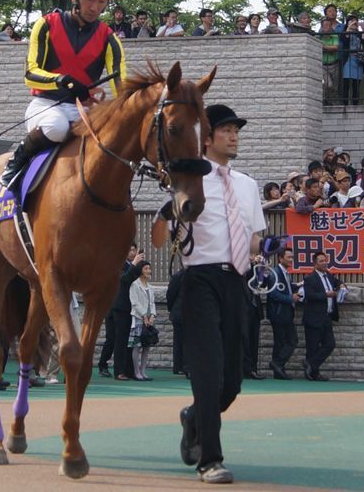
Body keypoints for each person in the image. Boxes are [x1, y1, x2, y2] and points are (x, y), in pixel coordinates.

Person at [152, 104, 266, 485]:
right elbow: (156, 238)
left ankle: (194, 417)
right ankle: (210, 461)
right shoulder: (188, 179)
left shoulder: (248, 185)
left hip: (237, 283)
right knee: (207, 373)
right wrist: (165, 215)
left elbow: (252, 238)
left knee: (232, 381)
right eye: (226, 130)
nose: (234, 136)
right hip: (198, 280)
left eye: (237, 130)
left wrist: (260, 251)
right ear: (207, 136)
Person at [0, 0, 125, 189]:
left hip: (85, 111)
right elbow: (30, 73)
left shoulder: (109, 38)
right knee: (57, 128)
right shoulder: (46, 24)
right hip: (46, 105)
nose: (95, 7)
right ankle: (16, 162)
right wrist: (62, 81)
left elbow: (120, 85)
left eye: (101, 1)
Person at [98, 243, 143, 379]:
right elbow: (123, 279)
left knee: (121, 339)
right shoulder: (118, 264)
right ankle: (117, 370)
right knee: (116, 339)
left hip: (125, 306)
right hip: (117, 306)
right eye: (129, 249)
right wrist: (135, 264)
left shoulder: (132, 266)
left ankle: (125, 369)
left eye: (134, 250)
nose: (132, 252)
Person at [301, 252, 345, 381]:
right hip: (313, 318)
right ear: (315, 263)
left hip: (326, 316)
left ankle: (310, 364)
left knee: (330, 344)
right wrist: (326, 295)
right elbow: (309, 296)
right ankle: (313, 374)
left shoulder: (329, 276)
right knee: (313, 347)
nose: (324, 263)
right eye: (321, 261)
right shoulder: (310, 278)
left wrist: (342, 285)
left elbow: (337, 282)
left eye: (325, 260)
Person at [265, 247, 298, 379]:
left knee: (281, 342)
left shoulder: (284, 273)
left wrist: (298, 286)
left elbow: (286, 288)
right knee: (292, 340)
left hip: (285, 313)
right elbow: (273, 294)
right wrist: (290, 298)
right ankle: (277, 363)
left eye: (292, 257)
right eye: (289, 257)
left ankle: (278, 371)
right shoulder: (275, 273)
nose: (291, 260)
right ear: (280, 258)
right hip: (278, 313)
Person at [128, 260, 155, 381]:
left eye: (149, 268)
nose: (149, 271)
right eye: (146, 269)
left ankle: (143, 371)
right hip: (139, 319)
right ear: (140, 270)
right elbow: (134, 302)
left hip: (149, 321)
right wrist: (144, 315)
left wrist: (152, 315)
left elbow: (152, 303)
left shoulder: (150, 286)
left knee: (147, 346)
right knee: (137, 345)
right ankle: (136, 372)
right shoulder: (135, 284)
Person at [165, 269, 187, 376]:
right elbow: (171, 294)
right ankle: (179, 366)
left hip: (193, 314)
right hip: (180, 313)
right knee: (179, 341)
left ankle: (186, 366)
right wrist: (172, 309)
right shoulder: (179, 276)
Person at [340, 15, 364, 105]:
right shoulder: (344, 33)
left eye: (355, 21)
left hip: (358, 60)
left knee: (356, 84)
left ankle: (355, 104)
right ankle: (345, 104)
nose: (354, 22)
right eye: (351, 21)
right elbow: (344, 39)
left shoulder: (359, 33)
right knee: (346, 83)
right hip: (348, 59)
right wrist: (349, 27)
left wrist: (362, 27)